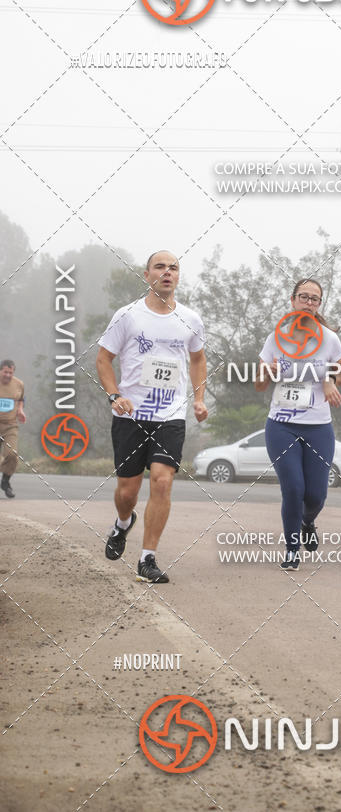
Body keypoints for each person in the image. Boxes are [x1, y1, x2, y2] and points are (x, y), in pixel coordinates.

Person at [96, 250, 208, 584]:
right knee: (127, 492)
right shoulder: (128, 315)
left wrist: (199, 399)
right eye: (160, 267)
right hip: (131, 416)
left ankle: (147, 558)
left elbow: (198, 359)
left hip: (170, 414)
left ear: (178, 276)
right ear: (147, 275)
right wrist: (115, 395)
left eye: (173, 267)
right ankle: (122, 523)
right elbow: (103, 359)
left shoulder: (191, 319)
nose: (167, 272)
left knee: (162, 480)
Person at [255, 279, 341, 570]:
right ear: (292, 300)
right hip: (281, 425)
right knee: (293, 488)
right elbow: (258, 385)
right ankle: (292, 549)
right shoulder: (276, 337)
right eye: (303, 297)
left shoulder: (329, 338)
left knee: (316, 495)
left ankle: (308, 521)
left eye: (314, 299)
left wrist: (329, 380)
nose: (308, 302)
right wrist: (266, 372)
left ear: (319, 305)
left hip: (319, 426)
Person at [0, 360, 26, 498]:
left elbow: (21, 399)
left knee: (12, 454)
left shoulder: (18, 384)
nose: (8, 375)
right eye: (5, 372)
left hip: (10, 425)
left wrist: (20, 410)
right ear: (0, 371)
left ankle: (5, 481)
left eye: (11, 372)